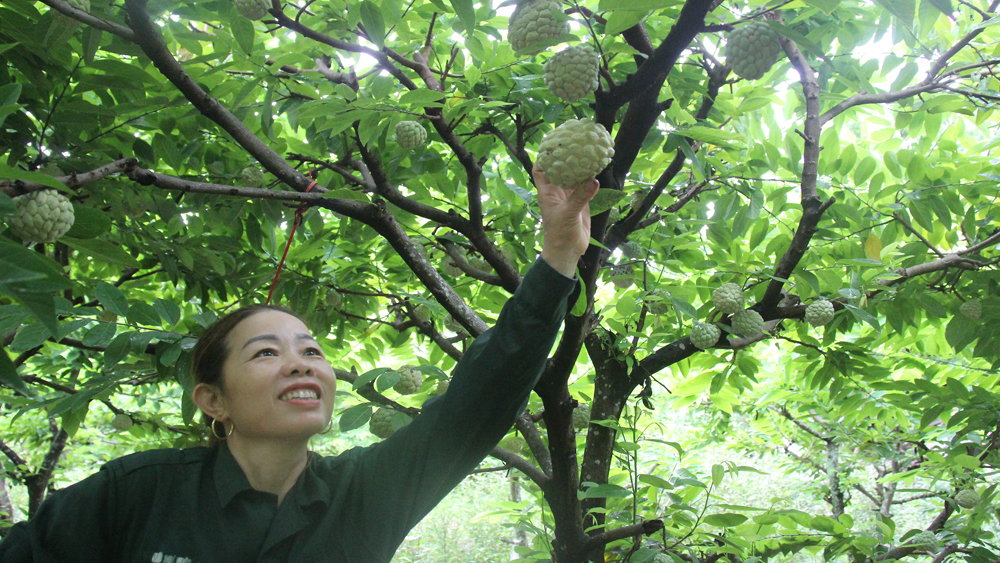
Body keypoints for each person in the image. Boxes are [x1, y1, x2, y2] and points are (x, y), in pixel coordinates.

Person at [0, 166, 599, 563]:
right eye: (267, 352)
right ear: (213, 399)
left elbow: (480, 399)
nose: (302, 365)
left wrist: (557, 257)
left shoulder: (364, 493)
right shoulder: (138, 493)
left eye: (311, 350)